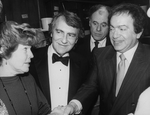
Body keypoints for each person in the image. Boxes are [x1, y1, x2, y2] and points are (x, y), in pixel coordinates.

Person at [51, 3, 150, 115]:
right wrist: (73, 106)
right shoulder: (101, 55)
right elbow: (89, 87)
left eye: (122, 29)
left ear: (138, 32)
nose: (115, 35)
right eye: (112, 28)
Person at [29, 10, 89, 114]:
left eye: (71, 35)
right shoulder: (31, 60)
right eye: (59, 32)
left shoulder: (84, 63)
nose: (64, 40)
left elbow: (86, 95)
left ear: (76, 40)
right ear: (51, 32)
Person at [0, 21, 51, 115]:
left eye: (30, 49)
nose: (31, 55)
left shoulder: (28, 79)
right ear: (4, 50)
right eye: (25, 49)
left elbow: (44, 110)